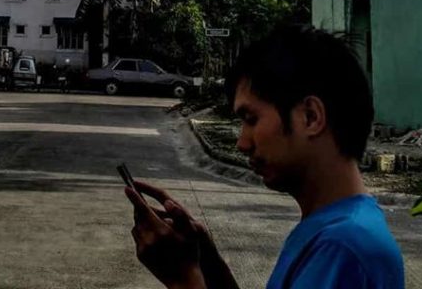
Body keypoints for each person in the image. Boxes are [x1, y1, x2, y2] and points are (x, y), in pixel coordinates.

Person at [126, 26, 404, 289]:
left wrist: (183, 279)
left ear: (310, 117)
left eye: (251, 119)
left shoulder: (344, 247)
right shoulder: (332, 228)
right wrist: (207, 262)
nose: (242, 143)